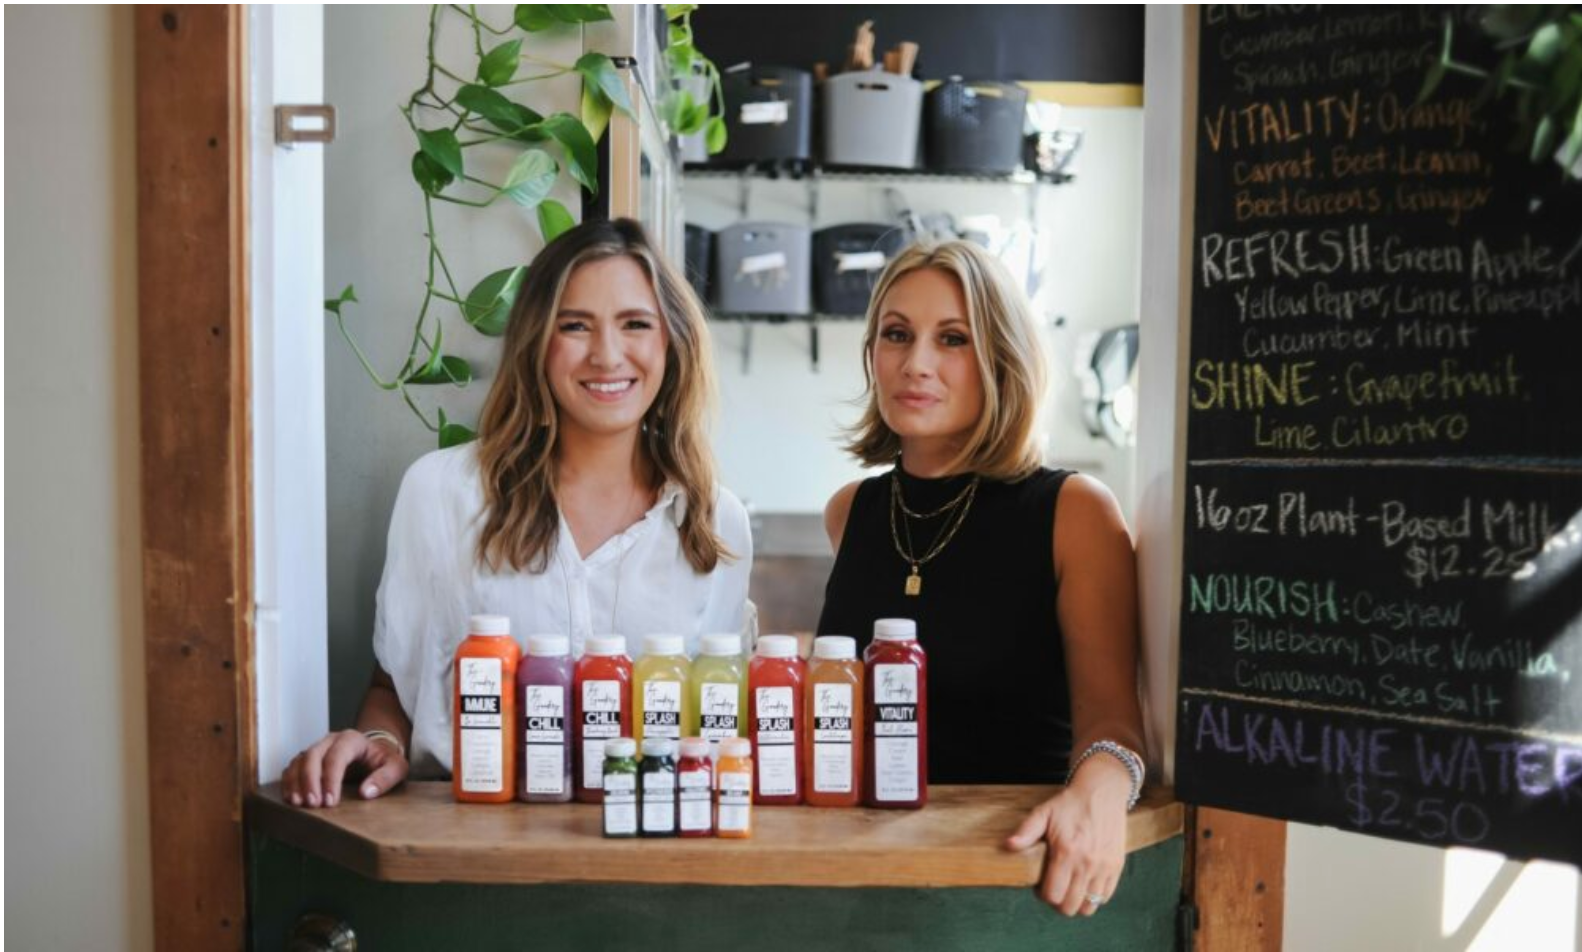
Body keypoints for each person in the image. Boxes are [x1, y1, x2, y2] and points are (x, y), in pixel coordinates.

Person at [284, 218, 753, 807]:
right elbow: (394, 690)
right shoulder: (441, 494)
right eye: (575, 326)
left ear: (672, 342)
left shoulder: (715, 524)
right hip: (464, 840)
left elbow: (716, 720)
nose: (608, 355)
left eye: (635, 324)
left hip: (648, 846)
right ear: (538, 342)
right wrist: (377, 739)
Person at [817, 240, 1146, 917]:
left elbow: (1113, 725)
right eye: (897, 335)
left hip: (1012, 878)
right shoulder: (851, 511)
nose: (917, 364)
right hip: (857, 875)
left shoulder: (1073, 511)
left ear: (1001, 358)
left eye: (953, 339)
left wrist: (1102, 792)